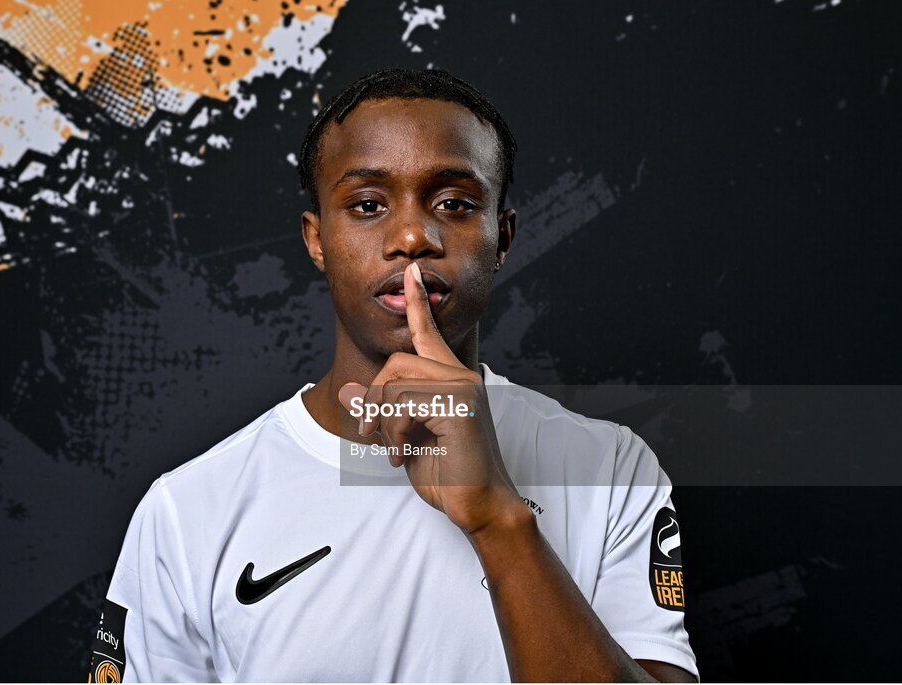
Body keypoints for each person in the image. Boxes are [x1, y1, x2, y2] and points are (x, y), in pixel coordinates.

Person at [87, 68, 698, 683]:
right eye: (368, 205)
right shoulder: (188, 509)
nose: (412, 236)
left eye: (454, 204)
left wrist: (498, 521)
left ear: (503, 237)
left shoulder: (611, 468)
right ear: (317, 238)